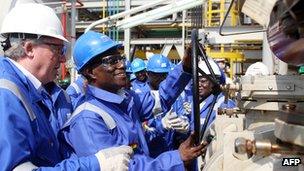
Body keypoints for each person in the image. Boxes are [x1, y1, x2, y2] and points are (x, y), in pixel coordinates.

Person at [0, 3, 132, 171]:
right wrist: (94, 165)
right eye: (58, 49)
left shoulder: (39, 91)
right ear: (29, 49)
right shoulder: (6, 94)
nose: (63, 59)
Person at [62, 31, 205, 170]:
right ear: (90, 72)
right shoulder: (88, 120)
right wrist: (176, 158)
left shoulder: (126, 99)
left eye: (120, 58)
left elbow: (162, 98)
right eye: (111, 61)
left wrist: (185, 67)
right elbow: (122, 167)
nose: (121, 65)